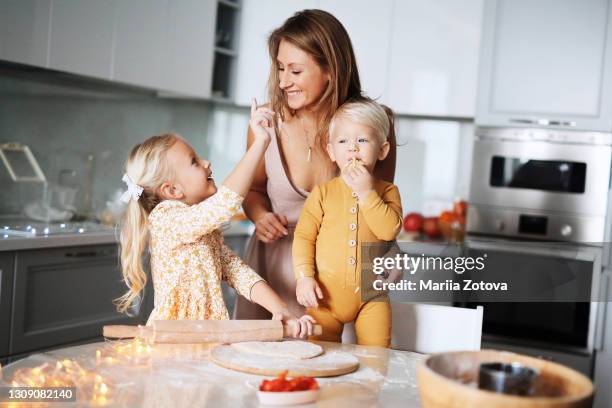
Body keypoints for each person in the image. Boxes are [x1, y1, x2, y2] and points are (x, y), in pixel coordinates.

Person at [235, 9, 397, 320]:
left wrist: (389, 254)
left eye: (295, 72)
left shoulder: (374, 125)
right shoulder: (266, 122)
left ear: (330, 70)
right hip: (273, 271)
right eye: (280, 68)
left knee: (342, 364)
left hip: (340, 274)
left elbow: (381, 205)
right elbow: (253, 189)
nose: (283, 82)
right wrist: (260, 216)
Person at [116, 101, 315, 337]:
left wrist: (281, 309)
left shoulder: (203, 231)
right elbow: (225, 202)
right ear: (172, 191)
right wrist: (260, 142)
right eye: (194, 161)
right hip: (175, 338)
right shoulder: (165, 219)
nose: (206, 162)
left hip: (209, 334)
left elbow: (240, 273)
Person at [293, 100, 402, 347]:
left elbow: (388, 230)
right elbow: (303, 238)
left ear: (382, 150)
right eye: (343, 141)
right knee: (319, 358)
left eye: (362, 141)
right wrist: (304, 277)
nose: (352, 148)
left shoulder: (388, 191)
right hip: (324, 298)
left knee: (378, 359)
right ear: (331, 151)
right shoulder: (322, 193)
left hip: (372, 296)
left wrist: (366, 193)